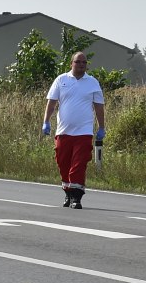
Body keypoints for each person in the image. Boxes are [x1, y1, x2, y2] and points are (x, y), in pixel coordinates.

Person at [42, 51, 106, 209]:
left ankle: (76, 197)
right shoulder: (61, 80)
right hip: (63, 132)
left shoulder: (92, 82)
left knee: (78, 164)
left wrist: (102, 127)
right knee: (63, 163)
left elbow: (99, 106)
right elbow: (51, 103)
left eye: (84, 62)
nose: (81, 65)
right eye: (78, 62)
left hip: (83, 132)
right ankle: (68, 193)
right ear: (72, 63)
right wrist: (46, 122)